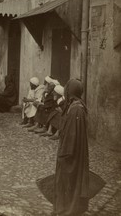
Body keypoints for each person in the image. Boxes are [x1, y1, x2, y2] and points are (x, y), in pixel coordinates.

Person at [54, 79, 89, 216]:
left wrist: (64, 154)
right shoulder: (75, 106)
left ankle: (68, 209)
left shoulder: (76, 109)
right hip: (74, 150)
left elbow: (72, 135)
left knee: (69, 179)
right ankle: (68, 207)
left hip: (71, 153)